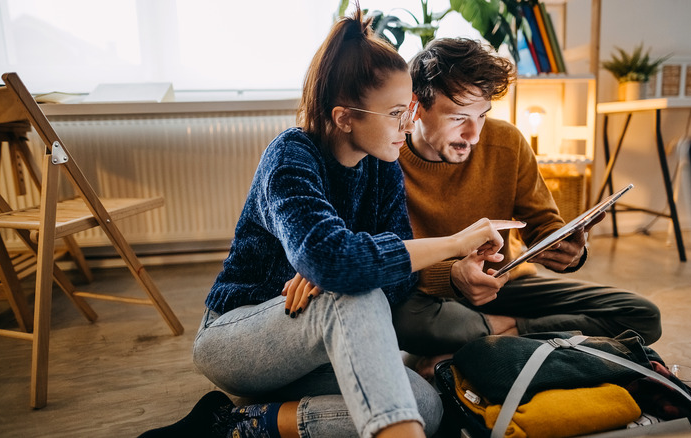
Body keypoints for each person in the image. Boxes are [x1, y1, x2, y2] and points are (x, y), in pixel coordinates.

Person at [139, 10, 522, 438]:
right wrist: (451, 244)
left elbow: (394, 288)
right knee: (352, 294)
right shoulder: (289, 158)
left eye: (409, 109)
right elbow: (338, 264)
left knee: (425, 407)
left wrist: (339, 267)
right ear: (344, 118)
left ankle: (237, 424)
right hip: (237, 337)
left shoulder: (383, 168)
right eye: (396, 113)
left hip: (317, 342)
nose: (408, 124)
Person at [392, 38, 663, 377]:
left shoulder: (506, 142)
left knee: (642, 314)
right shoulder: (387, 156)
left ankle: (501, 335)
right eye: (459, 117)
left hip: (503, 286)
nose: (473, 135)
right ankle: (523, 340)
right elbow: (387, 259)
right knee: (398, 318)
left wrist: (568, 250)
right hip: (427, 295)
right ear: (416, 106)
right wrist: (451, 275)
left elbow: (543, 223)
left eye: (482, 116)